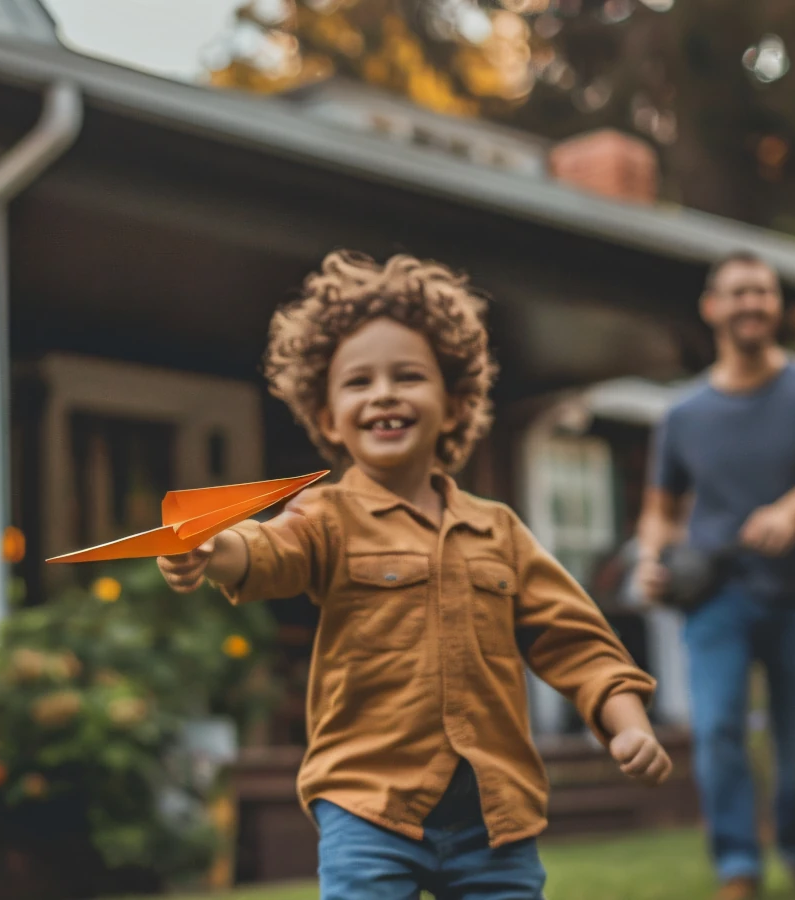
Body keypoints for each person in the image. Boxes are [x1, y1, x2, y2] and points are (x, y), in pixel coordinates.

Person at [159, 251, 671, 900]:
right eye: (358, 383)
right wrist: (213, 550)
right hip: (369, 805)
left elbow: (576, 640)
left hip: (493, 815)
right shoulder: (328, 516)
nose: (384, 395)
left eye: (408, 376)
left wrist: (628, 722)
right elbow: (269, 550)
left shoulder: (501, 531)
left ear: (455, 402)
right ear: (325, 415)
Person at [636, 250, 795, 900]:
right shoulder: (683, 413)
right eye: (739, 292)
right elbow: (661, 511)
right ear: (713, 307)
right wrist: (649, 560)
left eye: (764, 292)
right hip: (716, 596)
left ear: (776, 306)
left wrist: (791, 510)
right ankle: (737, 868)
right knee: (718, 728)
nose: (752, 303)